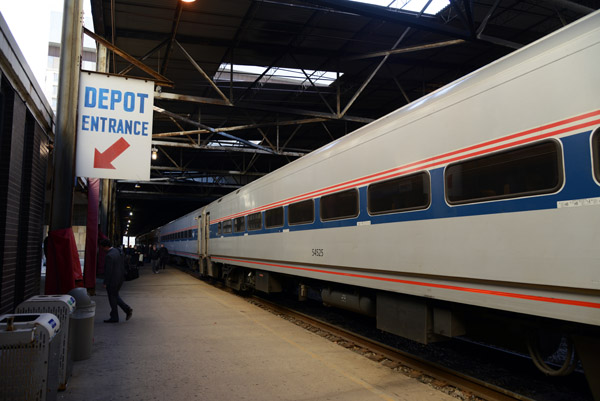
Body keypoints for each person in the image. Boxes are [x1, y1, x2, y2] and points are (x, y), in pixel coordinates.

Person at [100, 239, 133, 323]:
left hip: (112, 280)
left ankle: (120, 313)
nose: (102, 249)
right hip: (120, 278)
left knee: (112, 297)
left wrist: (105, 283)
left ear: (106, 247)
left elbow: (108, 271)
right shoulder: (117, 251)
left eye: (102, 247)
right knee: (114, 296)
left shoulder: (109, 256)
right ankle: (122, 312)